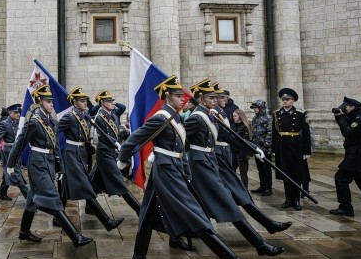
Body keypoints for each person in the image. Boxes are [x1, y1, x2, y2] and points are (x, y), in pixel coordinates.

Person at [118, 75, 239, 259]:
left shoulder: (175, 116)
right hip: (166, 171)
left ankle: (138, 256)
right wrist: (122, 163)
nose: (183, 98)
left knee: (148, 216)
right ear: (167, 97)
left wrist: (186, 171)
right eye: (178, 95)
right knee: (196, 215)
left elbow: (181, 148)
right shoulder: (161, 118)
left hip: (172, 169)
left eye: (182, 96)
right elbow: (131, 142)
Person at [185, 79, 285, 257]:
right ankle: (259, 244)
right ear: (201, 100)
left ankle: (178, 235)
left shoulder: (209, 115)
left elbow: (228, 136)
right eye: (211, 98)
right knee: (227, 203)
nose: (215, 100)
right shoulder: (196, 118)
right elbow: (178, 137)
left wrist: (253, 149)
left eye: (216, 98)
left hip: (209, 163)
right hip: (200, 165)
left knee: (200, 205)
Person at [7, 85, 92, 247]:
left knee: (32, 198)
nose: (51, 104)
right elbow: (20, 143)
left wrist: (59, 166)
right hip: (37, 162)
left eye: (51, 101)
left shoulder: (51, 120)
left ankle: (24, 232)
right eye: (47, 102)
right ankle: (75, 237)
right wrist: (11, 165)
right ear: (39, 102)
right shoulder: (34, 121)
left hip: (49, 161)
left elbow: (55, 144)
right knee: (53, 197)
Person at [57, 86, 124, 231]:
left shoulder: (85, 117)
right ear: (74, 103)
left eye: (85, 100)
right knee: (85, 186)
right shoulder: (69, 117)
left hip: (81, 153)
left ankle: (58, 216)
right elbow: (54, 132)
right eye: (81, 101)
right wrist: (54, 151)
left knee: (65, 187)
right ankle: (106, 221)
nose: (85, 103)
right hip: (71, 154)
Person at [90, 90, 141, 216]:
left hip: (112, 151)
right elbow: (101, 135)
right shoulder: (99, 117)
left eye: (113, 100)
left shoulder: (112, 115)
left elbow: (115, 130)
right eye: (109, 101)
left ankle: (89, 206)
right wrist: (115, 143)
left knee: (93, 181)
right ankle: (139, 209)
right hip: (104, 152)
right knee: (118, 180)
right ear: (102, 103)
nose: (113, 103)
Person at [329, 97, 361, 217]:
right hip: (360, 155)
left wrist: (340, 117)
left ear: (352, 107)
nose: (344, 108)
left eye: (345, 107)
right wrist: (341, 116)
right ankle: (345, 207)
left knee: (341, 178)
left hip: (358, 156)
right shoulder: (359, 116)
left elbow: (347, 132)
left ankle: (346, 208)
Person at [272, 88, 312, 211]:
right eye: (283, 100)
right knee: (285, 173)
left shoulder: (300, 114)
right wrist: (274, 149)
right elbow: (274, 133)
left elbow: (306, 133)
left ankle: (296, 200)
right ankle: (288, 199)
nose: (285, 101)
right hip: (282, 146)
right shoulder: (276, 114)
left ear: (293, 101)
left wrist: (306, 151)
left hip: (296, 146)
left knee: (296, 174)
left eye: (287, 99)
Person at [0, 104, 28, 200]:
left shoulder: (18, 123)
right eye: (15, 112)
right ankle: (29, 198)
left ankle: (2, 193)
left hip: (16, 151)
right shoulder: (4, 124)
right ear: (10, 113)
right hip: (9, 153)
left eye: (18, 112)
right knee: (16, 174)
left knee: (7, 173)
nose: (18, 114)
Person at [250, 99, 274, 196]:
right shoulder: (255, 119)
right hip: (257, 147)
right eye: (254, 108)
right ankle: (262, 185)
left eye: (256, 108)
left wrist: (266, 146)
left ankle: (268, 187)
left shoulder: (268, 118)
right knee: (260, 168)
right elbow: (254, 132)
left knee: (266, 168)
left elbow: (270, 133)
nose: (255, 110)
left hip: (265, 148)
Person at [232, 109, 252, 188]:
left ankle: (245, 189)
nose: (234, 118)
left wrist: (242, 154)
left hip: (241, 153)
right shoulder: (234, 125)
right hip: (234, 151)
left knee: (243, 173)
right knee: (231, 170)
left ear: (240, 116)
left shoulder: (244, 126)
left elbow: (245, 141)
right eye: (233, 116)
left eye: (235, 116)